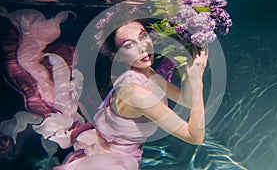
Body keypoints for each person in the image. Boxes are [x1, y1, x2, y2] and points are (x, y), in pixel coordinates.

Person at [52, 20, 208, 170]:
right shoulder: (137, 93)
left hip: (118, 155)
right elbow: (194, 137)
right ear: (117, 56)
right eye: (129, 45)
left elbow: (187, 101)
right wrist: (197, 82)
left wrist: (191, 70)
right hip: (112, 164)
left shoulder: (145, 73)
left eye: (143, 36)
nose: (142, 48)